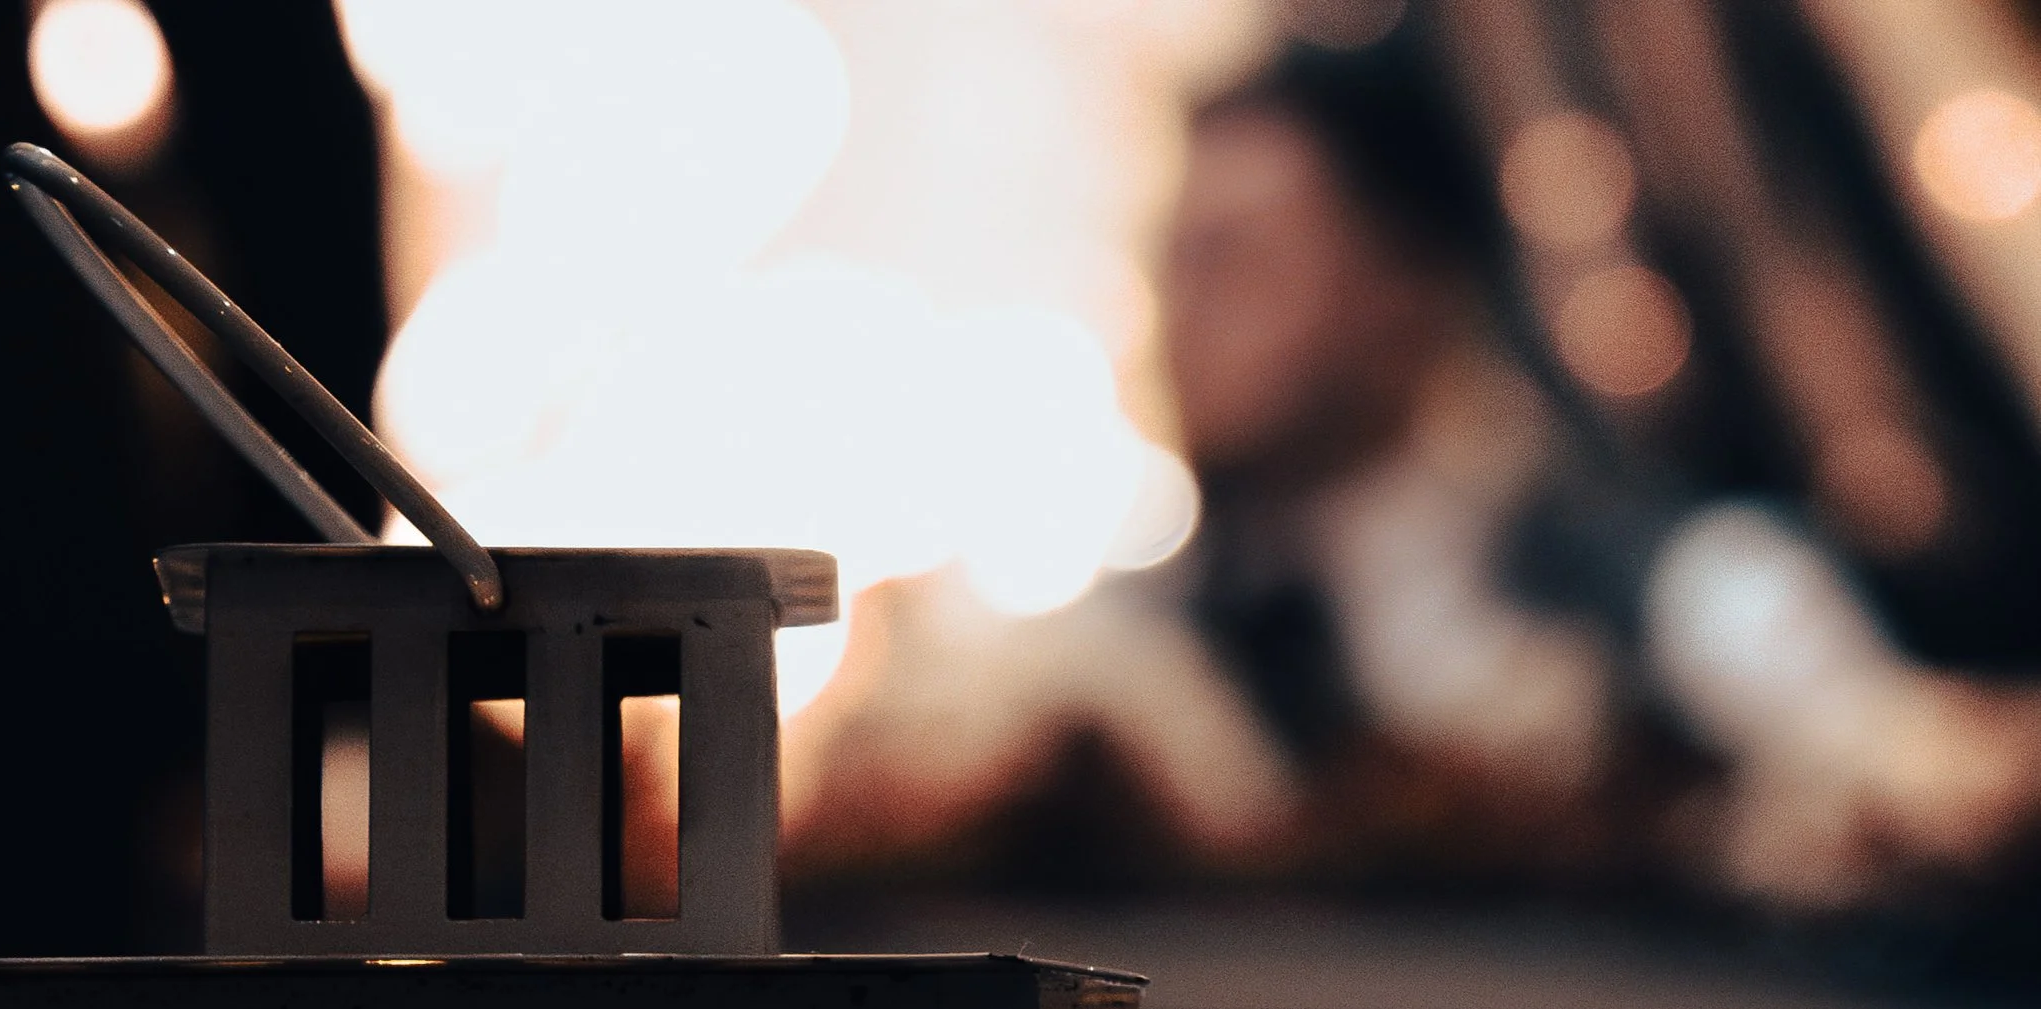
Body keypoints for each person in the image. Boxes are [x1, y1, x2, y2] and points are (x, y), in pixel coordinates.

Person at [786, 37, 2041, 911]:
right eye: (1168, 260)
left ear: (1405, 290)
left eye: (1238, 258)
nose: (1177, 312)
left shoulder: (1678, 595)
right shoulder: (1113, 653)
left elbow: (1906, 788)